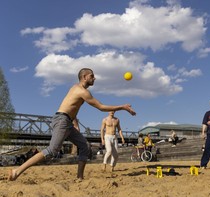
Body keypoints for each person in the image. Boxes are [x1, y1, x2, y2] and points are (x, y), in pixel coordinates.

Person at [8, 68, 136, 181]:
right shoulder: (82, 91)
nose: (94, 78)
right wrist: (123, 107)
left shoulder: (75, 88)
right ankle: (16, 172)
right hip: (62, 121)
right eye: (92, 76)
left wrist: (75, 124)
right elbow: (101, 107)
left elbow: (71, 109)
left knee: (84, 146)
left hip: (67, 121)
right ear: (85, 77)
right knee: (52, 150)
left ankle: (79, 177)